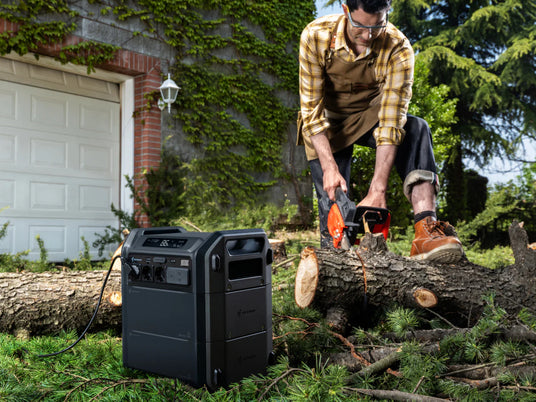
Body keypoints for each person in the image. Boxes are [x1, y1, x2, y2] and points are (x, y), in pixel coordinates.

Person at [297, 0, 463, 263]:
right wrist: (329, 167)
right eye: (360, 26)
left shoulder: (398, 47)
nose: (369, 36)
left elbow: (391, 120)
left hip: (371, 113)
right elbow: (312, 112)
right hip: (327, 124)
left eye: (378, 26)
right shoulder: (315, 36)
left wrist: (378, 190)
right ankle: (336, 274)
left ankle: (425, 230)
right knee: (335, 209)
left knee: (416, 128)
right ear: (345, 11)